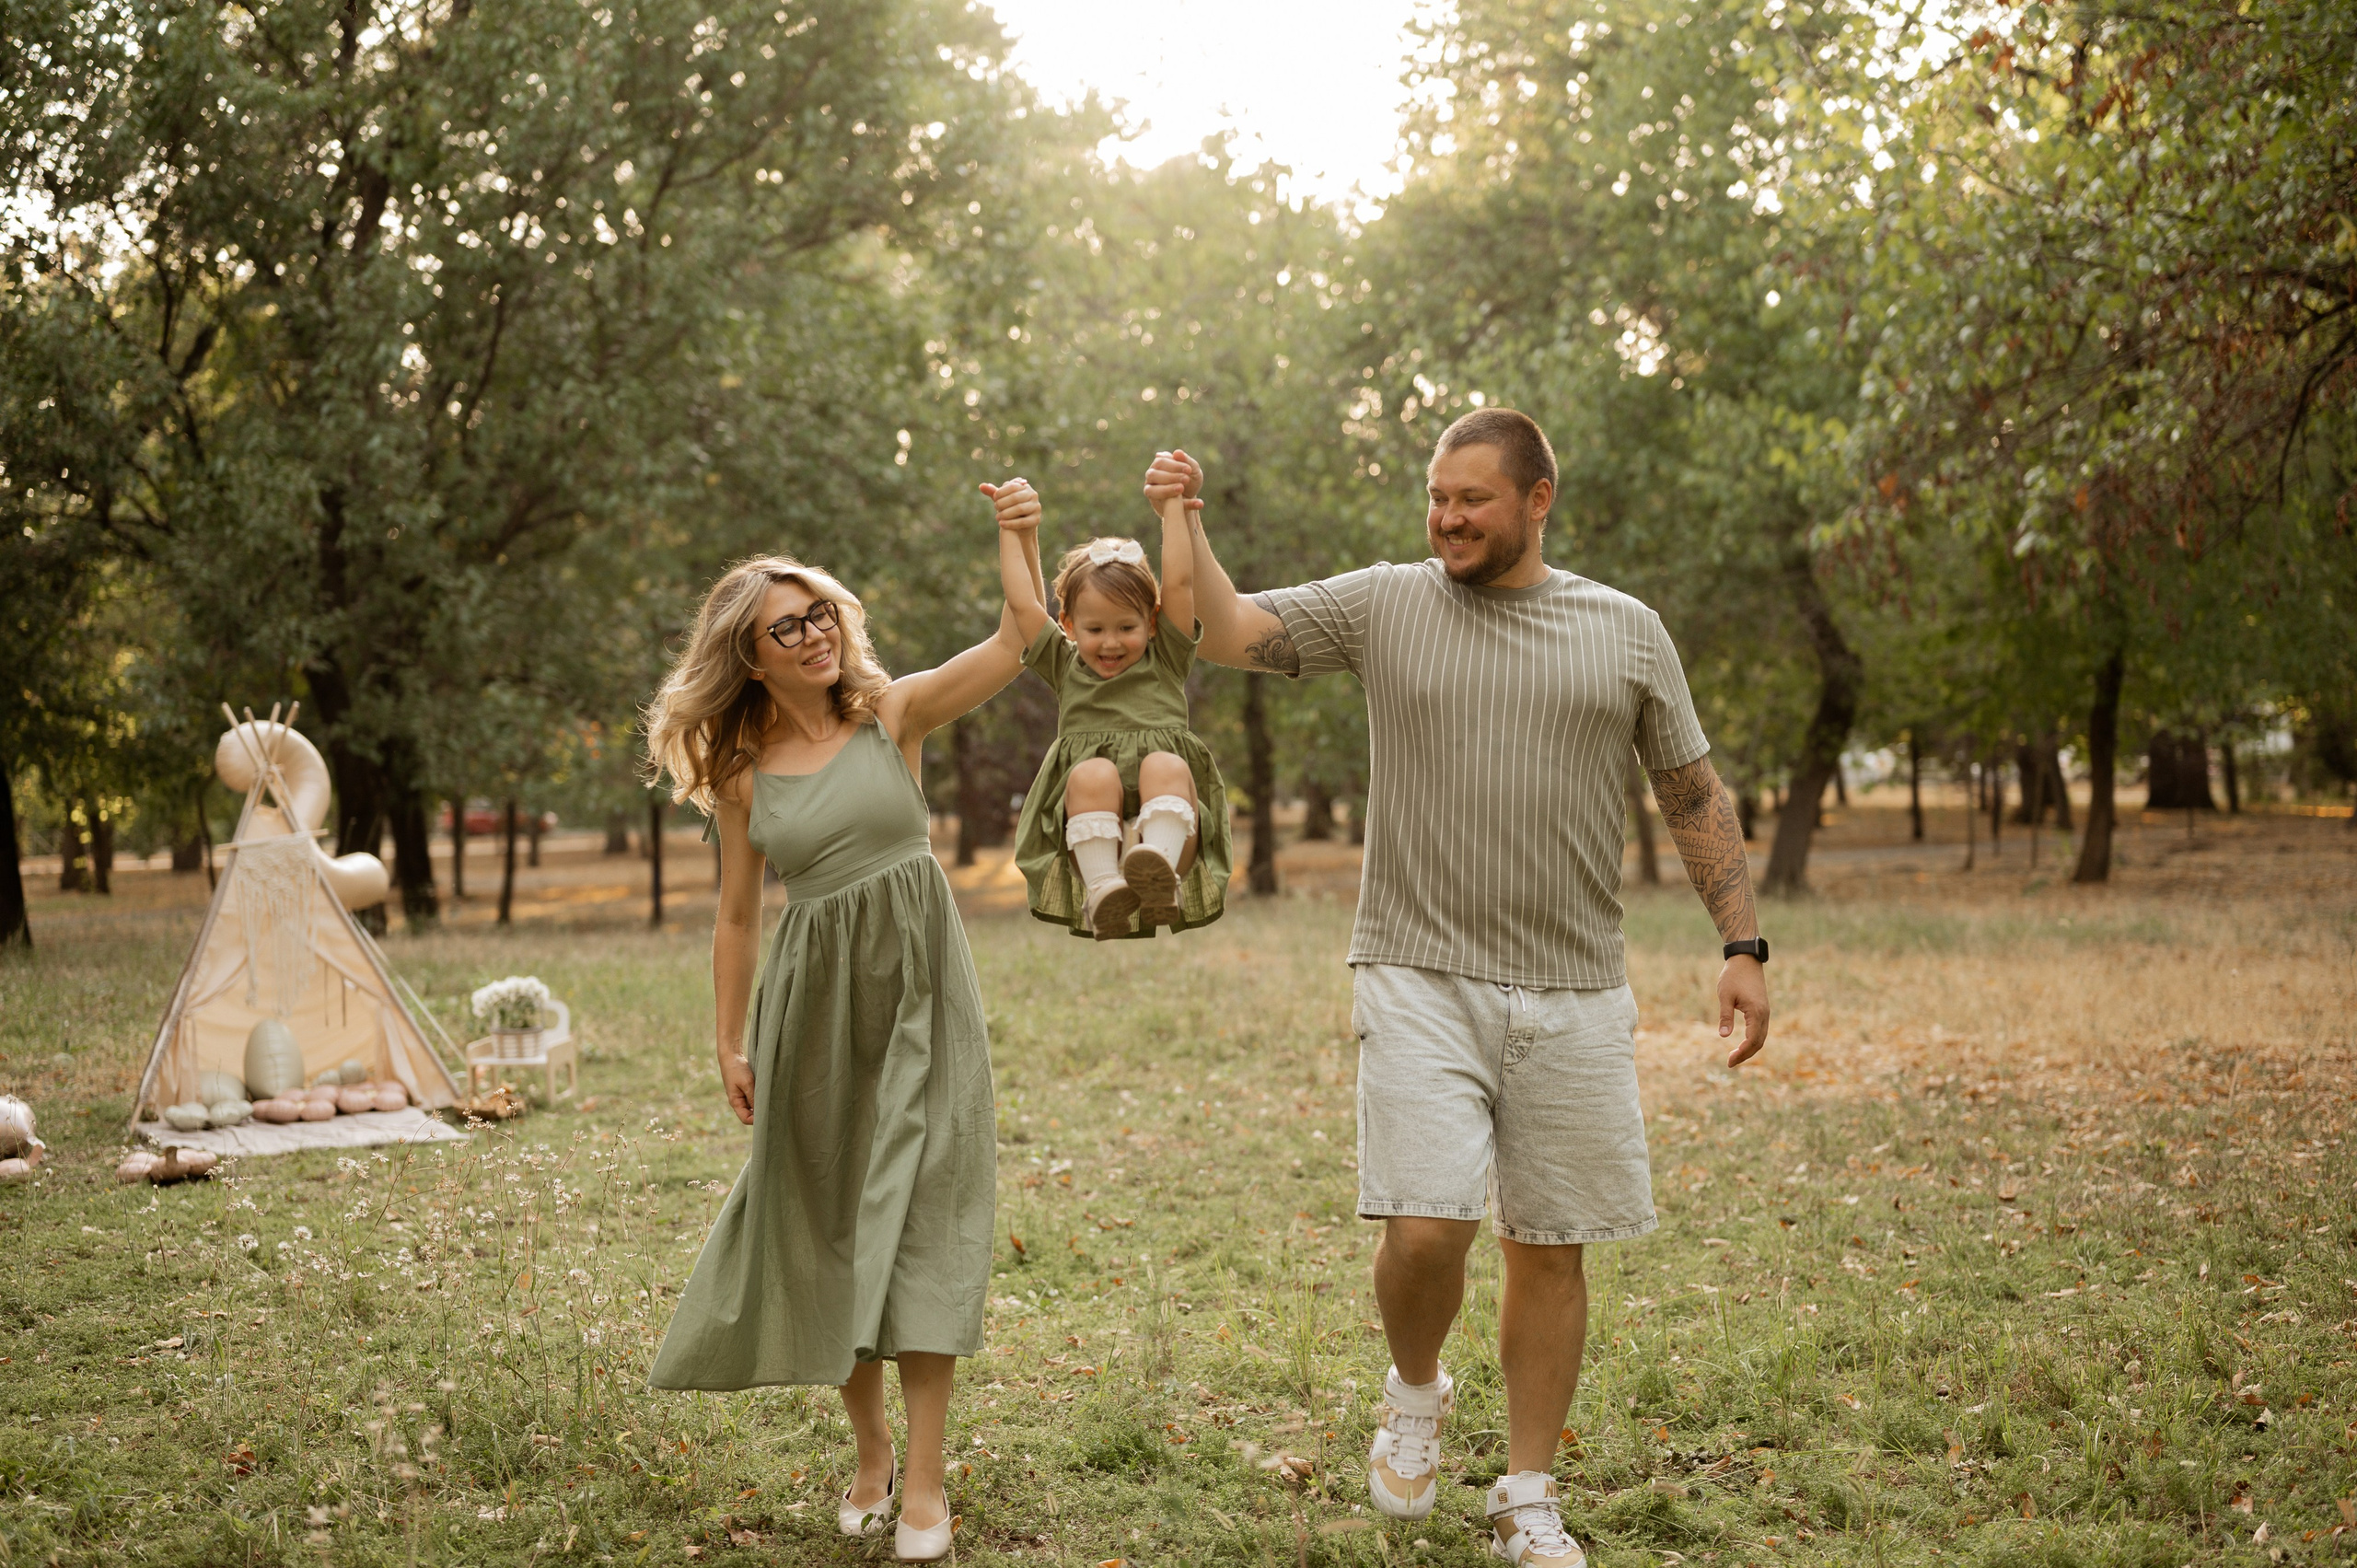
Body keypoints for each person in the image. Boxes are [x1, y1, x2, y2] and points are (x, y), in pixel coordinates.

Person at [1146, 411, 1771, 1568]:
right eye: (1436, 496)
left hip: (1576, 984)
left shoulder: (1625, 630)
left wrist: (1744, 942)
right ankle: (1416, 1389)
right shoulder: (1388, 601)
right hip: (1419, 967)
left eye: (1472, 498)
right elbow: (1217, 626)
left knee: (1551, 1240)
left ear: (1538, 500)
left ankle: (1525, 1490)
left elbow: (1690, 790)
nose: (1446, 518)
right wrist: (1184, 520)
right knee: (1427, 1227)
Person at [640, 483, 1045, 1563]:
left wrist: (1019, 538)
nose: (815, 631)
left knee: (923, 1211)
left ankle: (923, 1481)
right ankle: (867, 1450)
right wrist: (727, 1040)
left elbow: (1022, 638)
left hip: (920, 982)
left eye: (819, 610)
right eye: (789, 624)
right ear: (751, 655)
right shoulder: (737, 771)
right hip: (812, 1004)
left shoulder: (891, 714)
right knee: (827, 1221)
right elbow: (734, 916)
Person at [996, 482, 1232, 939]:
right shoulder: (1064, 665)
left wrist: (1173, 509)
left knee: (1165, 764)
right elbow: (1023, 602)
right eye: (1094, 628)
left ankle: (1156, 873)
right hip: (1093, 839)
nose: (1110, 642)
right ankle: (1105, 890)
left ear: (1153, 620)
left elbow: (1180, 581)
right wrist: (1010, 527)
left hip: (1170, 838)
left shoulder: (1165, 658)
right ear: (1067, 625)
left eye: (1127, 627)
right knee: (1090, 775)